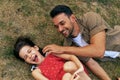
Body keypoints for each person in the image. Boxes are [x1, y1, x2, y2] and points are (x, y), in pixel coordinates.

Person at [42, 5, 113, 80]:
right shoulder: (69, 45)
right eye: (57, 26)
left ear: (72, 18)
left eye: (62, 23)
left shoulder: (90, 18)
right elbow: (92, 63)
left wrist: (62, 49)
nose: (60, 29)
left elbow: (99, 51)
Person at [13, 36, 91, 80]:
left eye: (29, 51)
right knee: (66, 77)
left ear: (36, 48)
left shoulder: (51, 53)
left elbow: (71, 56)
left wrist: (80, 67)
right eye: (26, 57)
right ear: (26, 61)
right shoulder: (36, 71)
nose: (30, 56)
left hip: (78, 72)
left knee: (68, 66)